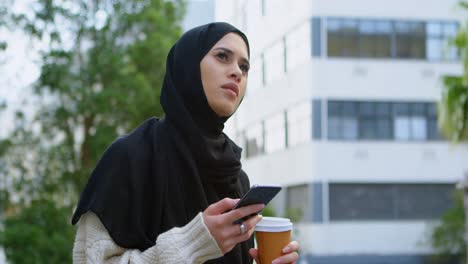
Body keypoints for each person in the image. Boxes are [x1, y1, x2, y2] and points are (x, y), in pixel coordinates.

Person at [71, 22, 300, 264]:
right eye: (222, 56)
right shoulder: (130, 156)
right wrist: (195, 242)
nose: (237, 72)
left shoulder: (234, 174)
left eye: (244, 67)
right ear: (188, 64)